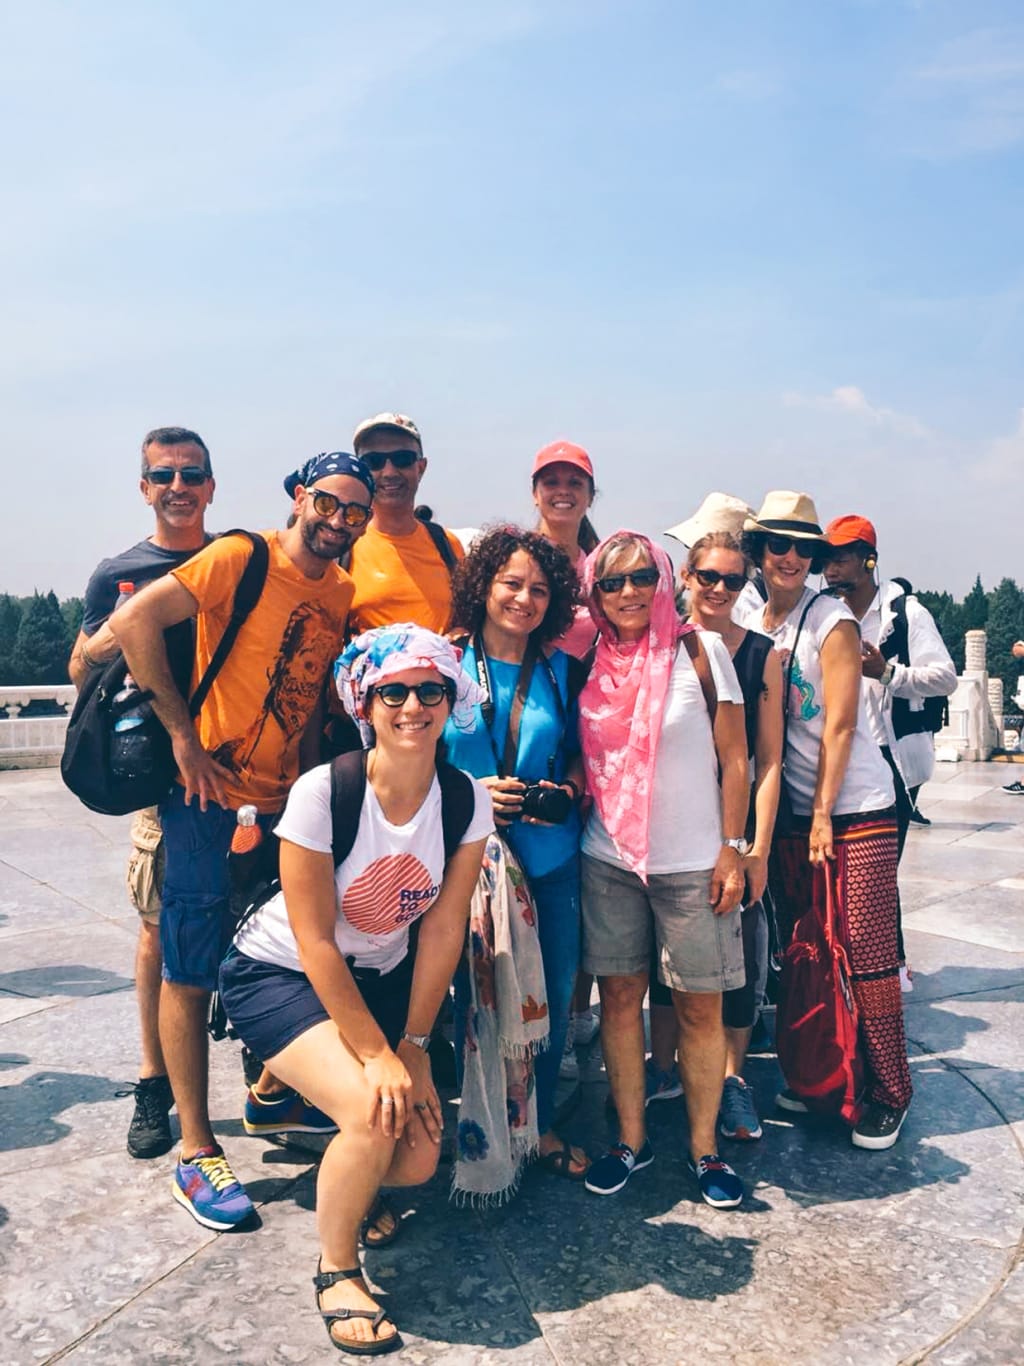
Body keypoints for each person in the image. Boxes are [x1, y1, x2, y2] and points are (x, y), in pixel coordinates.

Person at [109, 451, 373, 1228]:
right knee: (188, 969)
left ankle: (270, 1096)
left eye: (353, 513)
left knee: (283, 958)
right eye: (327, 503)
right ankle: (196, 1149)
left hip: (284, 807)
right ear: (299, 496)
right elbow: (133, 622)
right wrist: (182, 739)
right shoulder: (240, 554)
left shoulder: (344, 590)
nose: (338, 521)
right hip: (206, 798)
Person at [219, 626, 492, 1354]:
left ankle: (295, 1093)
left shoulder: (465, 801)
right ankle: (337, 1267)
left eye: (429, 689)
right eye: (391, 692)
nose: (412, 706)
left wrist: (414, 1047)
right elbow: (313, 943)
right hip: (280, 970)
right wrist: (377, 1057)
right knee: (376, 1115)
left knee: (415, 1158)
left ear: (450, 699)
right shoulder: (324, 792)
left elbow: (440, 933)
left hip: (381, 978)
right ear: (364, 704)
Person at [577, 532, 751, 1208]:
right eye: (612, 582)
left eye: (641, 577)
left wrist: (734, 845)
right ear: (595, 591)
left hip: (692, 860)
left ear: (663, 579)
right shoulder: (588, 656)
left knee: (699, 1007)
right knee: (619, 1000)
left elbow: (735, 757)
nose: (628, 593)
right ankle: (630, 1137)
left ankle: (704, 1148)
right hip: (609, 857)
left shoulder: (698, 650)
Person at [740, 492, 913, 1150]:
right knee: (808, 949)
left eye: (803, 548)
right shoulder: (757, 618)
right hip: (789, 815)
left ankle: (890, 1090)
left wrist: (821, 816)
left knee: (867, 952)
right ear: (759, 551)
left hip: (856, 810)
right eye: (777, 545)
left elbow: (839, 725)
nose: (790, 558)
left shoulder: (830, 618)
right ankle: (825, 1070)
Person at [68, 426, 215, 1160]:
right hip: (161, 776)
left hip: (233, 771)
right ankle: (153, 1079)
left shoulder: (235, 562)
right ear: (145, 487)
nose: (179, 487)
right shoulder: (119, 570)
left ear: (212, 487)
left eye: (192, 474)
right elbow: (78, 664)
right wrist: (127, 627)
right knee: (161, 929)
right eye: (164, 476)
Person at [444, 526, 590, 1180]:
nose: (523, 600)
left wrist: (564, 791)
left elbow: (590, 762)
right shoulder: (443, 662)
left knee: (550, 998)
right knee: (466, 1000)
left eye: (538, 589)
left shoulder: (562, 670)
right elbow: (405, 755)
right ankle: (470, 1122)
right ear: (483, 586)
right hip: (462, 865)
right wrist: (470, 792)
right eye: (510, 584)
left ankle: (540, 1123)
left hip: (550, 859)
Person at [671, 520, 783, 1143]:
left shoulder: (760, 653)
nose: (718, 588)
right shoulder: (664, 644)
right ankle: (671, 1072)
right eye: (707, 576)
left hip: (730, 835)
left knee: (736, 961)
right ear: (686, 576)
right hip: (674, 833)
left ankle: (734, 1081)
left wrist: (753, 846)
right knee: (676, 971)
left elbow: (767, 760)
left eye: (732, 580)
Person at [823, 515, 956, 987]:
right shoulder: (822, 613)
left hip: (891, 760)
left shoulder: (907, 614)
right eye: (826, 559)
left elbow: (945, 676)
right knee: (844, 872)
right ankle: (854, 966)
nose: (830, 569)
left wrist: (887, 673)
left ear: (868, 559)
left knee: (877, 873)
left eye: (840, 558)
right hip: (839, 756)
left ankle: (888, 970)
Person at [530, 439, 601, 1072]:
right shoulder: (520, 560)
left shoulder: (600, 567)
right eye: (550, 481)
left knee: (570, 886)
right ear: (535, 491)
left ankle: (574, 1014)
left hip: (587, 728)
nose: (562, 490)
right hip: (525, 723)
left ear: (589, 493)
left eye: (573, 481)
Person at [348, 412, 464, 635]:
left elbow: (469, 620)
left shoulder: (448, 545)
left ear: (421, 468)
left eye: (402, 459)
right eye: (374, 462)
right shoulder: (343, 546)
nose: (389, 472)